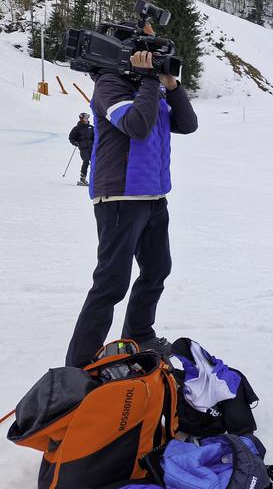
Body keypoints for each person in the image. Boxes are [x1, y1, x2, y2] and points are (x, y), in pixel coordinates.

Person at [65, 22, 198, 368]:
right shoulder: (109, 85)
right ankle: (78, 365)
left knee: (157, 269)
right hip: (119, 198)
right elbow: (137, 127)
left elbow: (187, 123)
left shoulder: (148, 87)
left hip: (154, 197)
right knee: (111, 283)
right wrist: (152, 82)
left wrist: (171, 85)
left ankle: (139, 333)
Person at [68, 112, 95, 185]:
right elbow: (71, 138)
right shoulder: (77, 128)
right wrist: (75, 143)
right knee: (86, 161)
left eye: (87, 118)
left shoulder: (91, 127)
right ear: (81, 118)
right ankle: (83, 179)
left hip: (92, 148)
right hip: (83, 148)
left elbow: (96, 137)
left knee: (95, 162)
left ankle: (96, 179)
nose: (87, 119)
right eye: (85, 118)